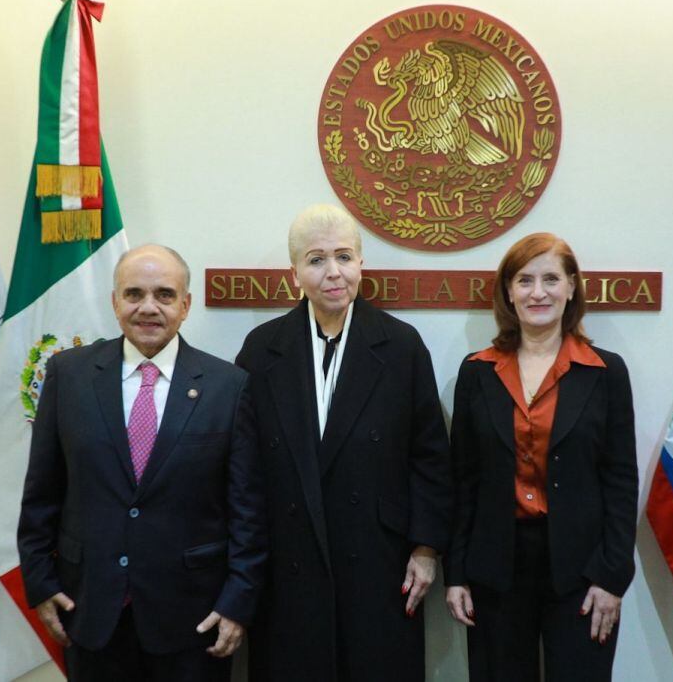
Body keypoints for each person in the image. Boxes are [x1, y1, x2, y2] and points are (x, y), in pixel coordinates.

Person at [17, 244, 266, 681]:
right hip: (89, 611)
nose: (148, 307)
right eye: (134, 294)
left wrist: (238, 603)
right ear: (115, 302)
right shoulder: (67, 375)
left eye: (164, 295)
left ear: (185, 305)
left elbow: (248, 510)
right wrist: (40, 584)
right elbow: (41, 494)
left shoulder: (229, 386)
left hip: (194, 619)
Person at [236, 204, 451, 682]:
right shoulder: (261, 350)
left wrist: (426, 550)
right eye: (316, 260)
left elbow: (431, 459)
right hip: (287, 567)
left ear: (361, 263)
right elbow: (243, 470)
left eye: (344, 257)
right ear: (294, 273)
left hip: (381, 564)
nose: (333, 273)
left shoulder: (401, 345)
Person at [444, 232, 638, 682]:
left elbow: (621, 481)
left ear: (571, 287)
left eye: (551, 279)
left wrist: (612, 577)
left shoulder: (606, 373)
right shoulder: (477, 372)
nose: (538, 292)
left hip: (583, 572)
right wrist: (456, 573)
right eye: (525, 280)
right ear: (508, 291)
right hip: (496, 568)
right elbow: (463, 481)